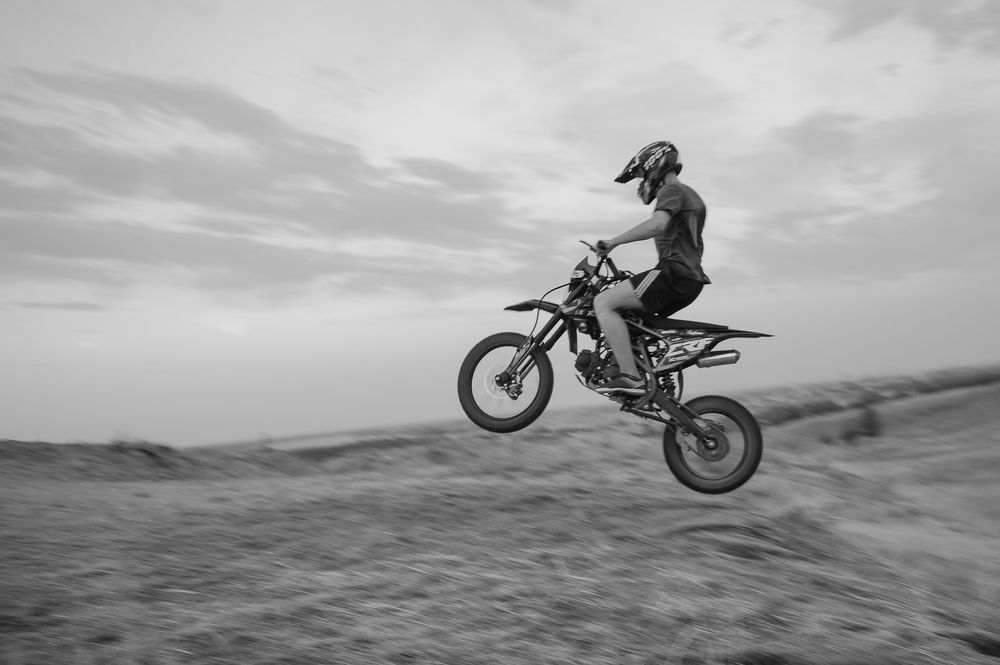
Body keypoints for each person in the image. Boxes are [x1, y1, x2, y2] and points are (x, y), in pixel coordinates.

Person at [592, 140, 711, 395]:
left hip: (673, 273)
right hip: (690, 280)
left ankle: (631, 377)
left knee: (603, 303)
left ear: (654, 166)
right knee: (635, 321)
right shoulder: (691, 195)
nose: (641, 182)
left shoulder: (672, 190)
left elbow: (657, 225)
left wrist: (613, 242)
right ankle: (648, 374)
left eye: (641, 176)